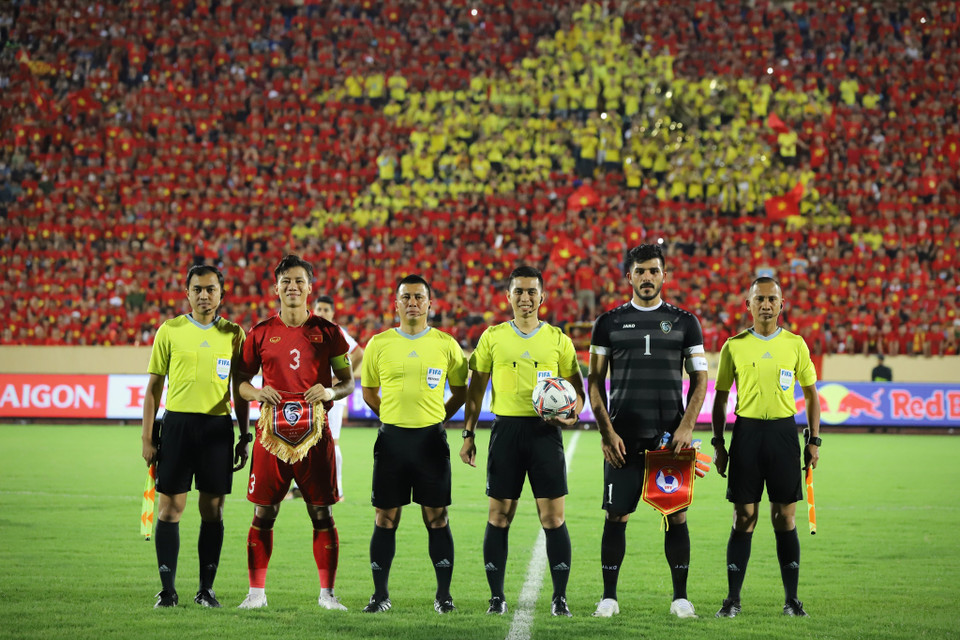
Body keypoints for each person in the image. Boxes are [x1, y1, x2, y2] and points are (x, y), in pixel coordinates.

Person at [588, 243, 709, 619]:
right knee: (616, 516)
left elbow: (701, 378)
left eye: (653, 271)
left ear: (664, 276)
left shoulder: (685, 322)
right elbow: (593, 381)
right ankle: (608, 597)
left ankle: (680, 598)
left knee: (676, 516)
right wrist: (607, 434)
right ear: (629, 276)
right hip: (622, 440)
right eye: (640, 271)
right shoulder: (607, 322)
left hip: (668, 441)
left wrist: (687, 426)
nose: (647, 277)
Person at [459, 266, 586, 617]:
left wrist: (570, 415)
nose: (525, 298)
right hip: (506, 432)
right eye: (519, 291)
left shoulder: (559, 340)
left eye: (532, 292)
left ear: (542, 297)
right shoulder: (493, 337)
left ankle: (560, 597)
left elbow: (577, 395)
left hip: (546, 433)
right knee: (499, 516)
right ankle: (496, 597)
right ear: (508, 296)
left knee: (554, 519)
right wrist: (468, 434)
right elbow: (475, 391)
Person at [235, 255, 354, 610]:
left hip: (315, 439)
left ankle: (327, 595)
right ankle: (256, 594)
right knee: (264, 513)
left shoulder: (328, 333)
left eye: (299, 281)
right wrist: (256, 393)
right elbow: (240, 382)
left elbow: (347, 381)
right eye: (286, 281)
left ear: (309, 288)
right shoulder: (259, 333)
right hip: (271, 439)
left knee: (321, 513)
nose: (292, 287)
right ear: (276, 288)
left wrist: (330, 391)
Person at [711, 276, 821, 618]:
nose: (766, 305)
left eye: (772, 299)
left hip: (784, 436)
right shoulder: (734, 345)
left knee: (784, 517)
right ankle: (732, 600)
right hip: (746, 434)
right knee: (744, 516)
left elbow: (811, 394)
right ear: (748, 305)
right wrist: (719, 442)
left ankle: (791, 600)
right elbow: (721, 397)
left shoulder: (796, 344)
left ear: (781, 304)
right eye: (759, 299)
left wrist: (814, 439)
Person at [141, 264, 250, 608]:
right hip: (177, 427)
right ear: (186, 293)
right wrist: (147, 438)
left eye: (211, 289)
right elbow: (153, 389)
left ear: (222, 293)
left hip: (218, 428)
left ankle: (206, 589)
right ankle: (168, 590)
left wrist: (244, 436)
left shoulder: (234, 334)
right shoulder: (169, 331)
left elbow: (240, 387)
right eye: (198, 289)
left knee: (213, 510)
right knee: (170, 508)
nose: (204, 295)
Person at [360, 274, 468, 614]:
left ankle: (444, 596)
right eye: (406, 297)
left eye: (419, 297)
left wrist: (438, 417)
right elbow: (368, 393)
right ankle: (379, 596)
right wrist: (391, 417)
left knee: (437, 518)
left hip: (431, 441)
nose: (412, 303)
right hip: (392, 440)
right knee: (385, 518)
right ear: (396, 303)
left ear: (430, 303)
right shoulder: (378, 343)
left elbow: (461, 391)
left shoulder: (446, 344)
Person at [287, 295, 364, 500]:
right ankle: (299, 488)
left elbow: (358, 354)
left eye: (326, 310)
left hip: (331, 395)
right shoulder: (304, 331)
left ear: (332, 313)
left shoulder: (336, 332)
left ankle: (336, 489)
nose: (321, 313)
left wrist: (340, 378)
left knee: (333, 440)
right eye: (319, 309)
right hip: (306, 394)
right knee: (301, 438)